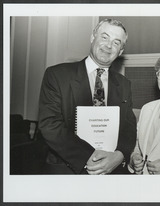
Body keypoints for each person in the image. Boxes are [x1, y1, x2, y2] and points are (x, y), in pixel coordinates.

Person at [38, 19, 137, 175]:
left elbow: (129, 126)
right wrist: (88, 157)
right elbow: (50, 124)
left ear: (121, 51)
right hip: (67, 170)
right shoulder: (57, 75)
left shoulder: (124, 84)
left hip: (112, 171)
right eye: (104, 37)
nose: (109, 45)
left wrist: (120, 155)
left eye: (116, 42)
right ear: (93, 37)